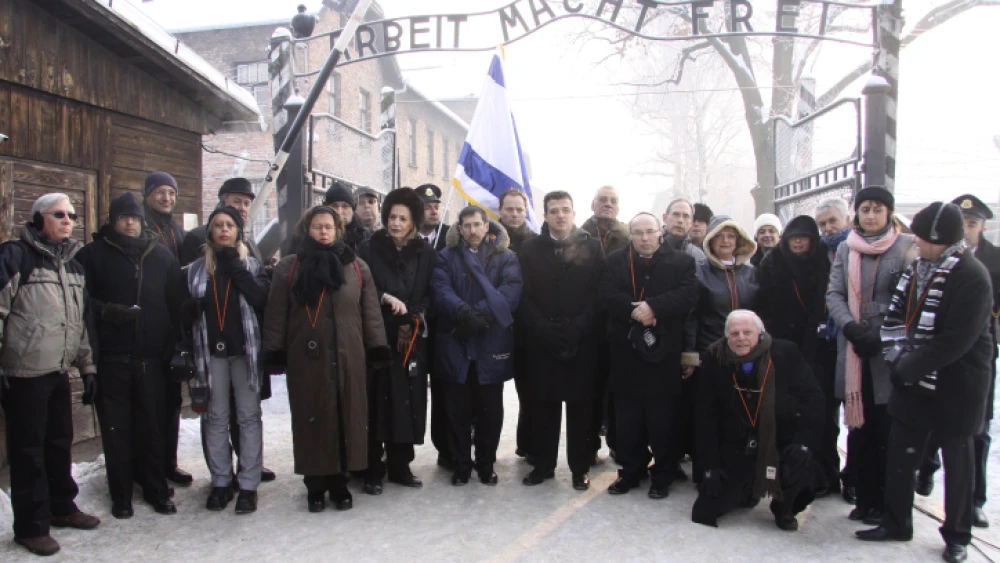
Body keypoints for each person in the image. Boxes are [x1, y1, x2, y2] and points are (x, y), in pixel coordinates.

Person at [858, 202, 992, 563]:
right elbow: (899, 315)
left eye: (920, 235)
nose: (913, 240)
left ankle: (957, 536)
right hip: (913, 377)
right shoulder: (918, 269)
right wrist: (898, 357)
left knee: (957, 461)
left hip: (957, 384)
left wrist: (907, 366)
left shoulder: (972, 275)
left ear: (939, 239)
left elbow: (956, 340)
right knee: (901, 450)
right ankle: (896, 521)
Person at [262, 206, 388, 513]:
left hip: (349, 355)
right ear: (307, 230)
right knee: (312, 419)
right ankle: (314, 487)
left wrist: (377, 347)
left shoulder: (356, 267)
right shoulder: (290, 267)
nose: (323, 232)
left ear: (338, 230)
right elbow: (277, 312)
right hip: (307, 357)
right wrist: (273, 349)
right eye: (317, 227)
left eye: (329, 227)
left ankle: (340, 484)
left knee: (347, 418)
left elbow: (370, 312)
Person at [0, 193, 100, 556]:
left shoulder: (73, 265)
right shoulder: (15, 256)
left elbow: (81, 323)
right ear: (39, 218)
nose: (67, 220)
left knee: (59, 443)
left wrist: (87, 367)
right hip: (23, 373)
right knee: (28, 452)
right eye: (59, 214)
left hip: (58, 372)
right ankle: (30, 526)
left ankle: (62, 507)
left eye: (72, 215)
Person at [76, 193, 182, 519]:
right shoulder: (91, 256)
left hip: (152, 359)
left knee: (151, 428)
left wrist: (175, 346)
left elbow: (176, 305)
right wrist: (107, 311)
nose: (130, 223)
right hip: (112, 359)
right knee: (116, 431)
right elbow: (78, 301)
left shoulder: (161, 256)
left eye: (134, 218)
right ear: (112, 220)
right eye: (123, 217)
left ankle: (155, 489)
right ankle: (120, 495)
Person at [827, 186, 915, 525]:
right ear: (857, 214)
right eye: (865, 209)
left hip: (889, 353)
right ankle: (863, 498)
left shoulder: (907, 248)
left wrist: (880, 333)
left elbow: (910, 297)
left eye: (878, 209)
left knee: (886, 431)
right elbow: (834, 293)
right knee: (858, 429)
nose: (871, 215)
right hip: (854, 352)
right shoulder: (846, 250)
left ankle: (885, 503)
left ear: (888, 214)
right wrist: (850, 327)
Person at [691, 310, 825, 530]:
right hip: (736, 445)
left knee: (801, 462)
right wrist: (709, 468)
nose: (741, 338)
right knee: (705, 511)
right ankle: (746, 491)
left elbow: (813, 399)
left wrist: (804, 442)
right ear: (727, 337)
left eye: (747, 332)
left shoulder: (785, 353)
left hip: (779, 440)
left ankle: (784, 507)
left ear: (760, 334)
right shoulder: (715, 359)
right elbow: (706, 417)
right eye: (734, 333)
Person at [181, 178, 276, 484]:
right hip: (210, 353)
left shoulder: (248, 259)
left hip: (244, 351)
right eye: (219, 224)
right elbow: (182, 304)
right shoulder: (196, 263)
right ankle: (221, 479)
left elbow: (261, 297)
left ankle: (249, 477)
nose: (224, 229)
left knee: (248, 416)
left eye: (230, 226)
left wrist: (237, 265)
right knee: (216, 417)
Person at [600, 213, 699, 498]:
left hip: (663, 353)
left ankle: (663, 474)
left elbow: (689, 294)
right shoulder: (614, 261)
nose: (644, 238)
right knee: (628, 419)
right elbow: (606, 294)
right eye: (638, 232)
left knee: (662, 419)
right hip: (625, 352)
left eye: (650, 232)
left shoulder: (682, 262)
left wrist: (654, 307)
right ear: (630, 235)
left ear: (661, 233)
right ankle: (630, 471)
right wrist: (634, 310)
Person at [917, 194, 1000, 530]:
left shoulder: (991, 260)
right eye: (962, 223)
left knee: (974, 431)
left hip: (975, 355)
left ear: (982, 226)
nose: (967, 230)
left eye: (973, 223)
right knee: (934, 420)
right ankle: (926, 466)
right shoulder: (932, 260)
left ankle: (974, 502)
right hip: (936, 352)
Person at [518, 191, 604, 490]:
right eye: (554, 210)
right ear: (545, 215)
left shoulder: (592, 247)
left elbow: (598, 294)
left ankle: (580, 469)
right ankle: (543, 465)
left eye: (565, 209)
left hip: (582, 341)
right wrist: (542, 327)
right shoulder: (529, 250)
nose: (560, 215)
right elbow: (524, 296)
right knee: (544, 407)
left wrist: (579, 327)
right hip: (543, 342)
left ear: (574, 213)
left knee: (581, 409)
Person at [430, 206, 522, 486]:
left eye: (477, 225)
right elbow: (440, 289)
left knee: (489, 412)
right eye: (467, 225)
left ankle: (486, 464)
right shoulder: (445, 257)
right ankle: (460, 465)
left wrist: (480, 314)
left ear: (487, 227)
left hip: (489, 343)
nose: (472, 230)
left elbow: (510, 291)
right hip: (456, 342)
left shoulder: (505, 258)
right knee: (457, 411)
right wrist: (464, 313)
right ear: (459, 228)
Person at [357, 188, 435, 494]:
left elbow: (432, 290)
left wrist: (417, 314)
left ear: (413, 221)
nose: (396, 223)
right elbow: (359, 286)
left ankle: (401, 465)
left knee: (408, 401)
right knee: (377, 403)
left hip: (411, 334)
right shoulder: (369, 247)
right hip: (378, 335)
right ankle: (372, 468)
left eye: (403, 218)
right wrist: (382, 297)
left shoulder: (426, 252)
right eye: (392, 217)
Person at [757, 215, 840, 497]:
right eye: (794, 238)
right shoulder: (772, 263)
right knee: (785, 410)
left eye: (804, 238)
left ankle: (826, 473)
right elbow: (762, 303)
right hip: (783, 346)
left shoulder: (825, 263)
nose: (799, 243)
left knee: (822, 413)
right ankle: (789, 471)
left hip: (819, 348)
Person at [686, 215, 758, 482]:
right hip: (712, 352)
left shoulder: (752, 274)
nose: (726, 241)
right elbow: (692, 315)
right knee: (708, 414)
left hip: (746, 353)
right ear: (710, 241)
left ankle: (739, 472)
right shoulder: (701, 272)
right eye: (720, 236)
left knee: (741, 413)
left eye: (731, 236)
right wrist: (691, 354)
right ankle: (705, 470)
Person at [142, 171, 193, 488]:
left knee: (171, 400)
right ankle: (147, 467)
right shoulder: (140, 226)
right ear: (147, 194)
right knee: (147, 403)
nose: (166, 199)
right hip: (146, 322)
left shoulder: (177, 232)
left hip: (173, 325)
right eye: (160, 192)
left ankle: (168, 463)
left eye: (171, 193)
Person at [581, 185, 629, 462]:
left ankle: (618, 443)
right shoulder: (579, 235)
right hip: (588, 325)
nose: (607, 204)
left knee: (617, 391)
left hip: (618, 324)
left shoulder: (628, 237)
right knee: (588, 391)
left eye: (613, 201)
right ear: (592, 204)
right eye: (602, 200)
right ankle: (588, 448)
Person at [815, 196, 857, 504]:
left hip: (855, 341)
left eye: (833, 221)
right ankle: (828, 474)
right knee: (824, 413)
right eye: (822, 223)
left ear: (846, 219)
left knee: (856, 413)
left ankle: (853, 476)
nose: (828, 228)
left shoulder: (857, 248)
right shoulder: (818, 253)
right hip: (823, 344)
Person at [498, 188, 538, 463]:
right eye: (508, 209)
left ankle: (528, 444)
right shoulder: (490, 239)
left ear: (526, 212)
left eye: (518, 209)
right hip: (493, 326)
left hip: (527, 328)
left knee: (530, 391)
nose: (513, 214)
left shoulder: (536, 243)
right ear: (500, 210)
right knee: (488, 394)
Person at [418, 183, 453, 468]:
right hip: (414, 327)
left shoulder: (450, 239)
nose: (433, 209)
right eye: (426, 204)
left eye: (436, 205)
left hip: (445, 328)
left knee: (445, 393)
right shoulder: (406, 239)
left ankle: (447, 448)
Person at [180, 177, 260, 266]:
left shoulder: (248, 239)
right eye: (237, 202)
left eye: (247, 204)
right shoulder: (197, 237)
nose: (242, 208)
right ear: (222, 203)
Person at [323, 181, 372, 251]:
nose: (339, 212)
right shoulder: (319, 233)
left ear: (353, 210)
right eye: (334, 206)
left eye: (345, 206)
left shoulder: (364, 236)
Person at [661, 198, 707, 263]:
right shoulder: (650, 248)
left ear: (691, 222)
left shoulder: (698, 257)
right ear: (665, 218)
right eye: (676, 214)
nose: (680, 220)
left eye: (686, 216)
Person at [417, 184, 449, 251]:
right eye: (427, 208)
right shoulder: (406, 239)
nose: (434, 212)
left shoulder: (448, 238)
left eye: (436, 207)